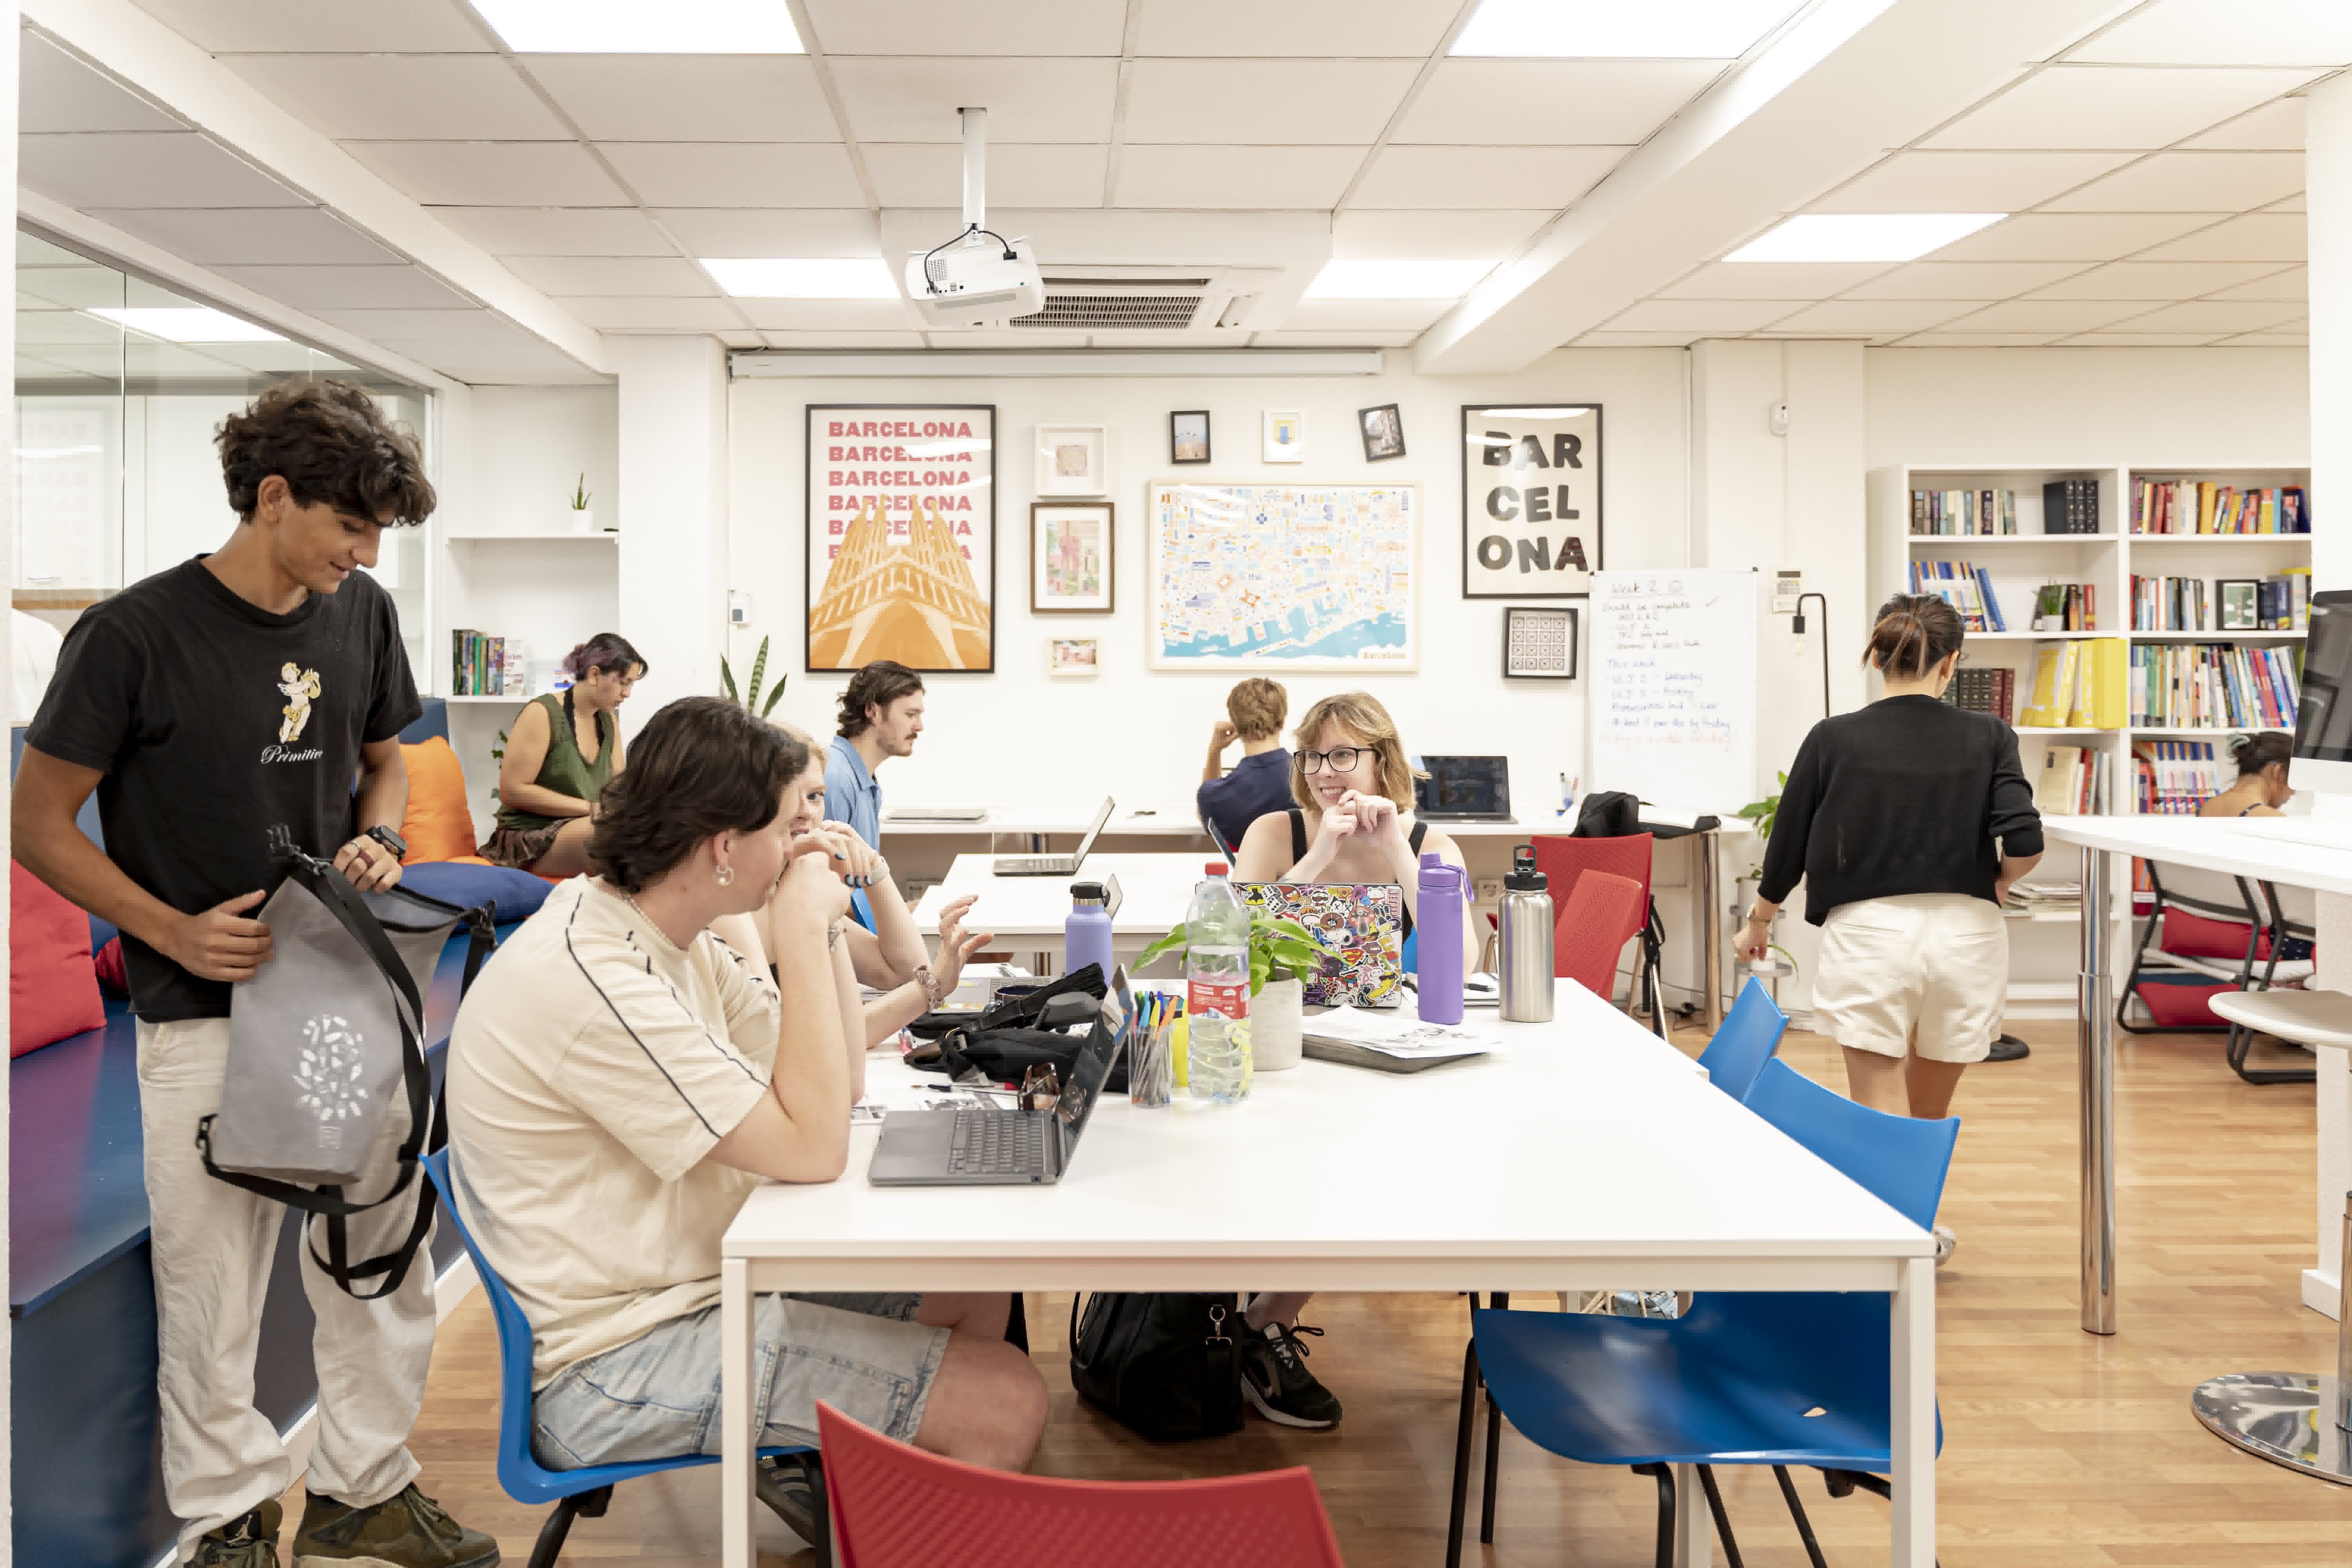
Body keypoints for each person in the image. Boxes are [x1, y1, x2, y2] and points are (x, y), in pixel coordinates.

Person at [11, 377, 498, 1568]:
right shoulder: (129, 636)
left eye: (377, 535)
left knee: (378, 1256)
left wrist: (381, 833)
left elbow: (391, 757)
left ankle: (362, 1487)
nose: (362, 554)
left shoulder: (360, 610)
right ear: (271, 496)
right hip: (202, 1008)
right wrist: (168, 930)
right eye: (348, 526)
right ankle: (229, 1516)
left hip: (341, 990)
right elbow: (38, 824)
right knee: (214, 1284)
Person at [446, 699, 1045, 1551]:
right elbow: (811, 1146)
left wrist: (825, 927)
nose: (805, 841)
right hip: (613, 1362)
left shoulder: (673, 937)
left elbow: (828, 1085)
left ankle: (879, 1525)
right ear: (725, 847)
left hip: (688, 1287)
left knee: (969, 1281)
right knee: (1006, 1396)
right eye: (789, 824)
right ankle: (903, 1498)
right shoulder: (593, 973)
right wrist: (801, 928)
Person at [1735, 594, 2043, 1265]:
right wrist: (2000, 884)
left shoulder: (1834, 737)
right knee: (1926, 1117)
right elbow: (2023, 838)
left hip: (1871, 935)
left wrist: (1759, 923)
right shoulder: (1990, 735)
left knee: (1876, 1107)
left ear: (1876, 657)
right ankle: (1915, 1234)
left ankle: (1886, 1252)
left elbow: (1787, 843)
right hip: (1969, 936)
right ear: (1952, 663)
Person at [1225, 691, 1476, 1431]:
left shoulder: (1430, 843)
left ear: (1381, 760)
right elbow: (1231, 947)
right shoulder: (1276, 831)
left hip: (1374, 1056)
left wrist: (1399, 850)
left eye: (1345, 755)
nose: (1328, 773)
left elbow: (1457, 966)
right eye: (1315, 756)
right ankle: (1244, 1317)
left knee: (1367, 1170)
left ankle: (1265, 1320)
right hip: (1277, 1050)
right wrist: (1319, 857)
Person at [726, 723, 995, 1046]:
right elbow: (813, 1042)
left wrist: (874, 868)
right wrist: (930, 987)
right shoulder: (733, 905)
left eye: (814, 796)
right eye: (786, 796)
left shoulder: (787, 886)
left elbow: (902, 972)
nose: (805, 813)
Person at [480, 633, 645, 877]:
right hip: (530, 836)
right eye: (623, 682)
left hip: (578, 825)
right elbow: (513, 790)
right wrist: (592, 808)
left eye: (632, 684)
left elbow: (617, 786)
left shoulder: (608, 720)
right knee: (608, 834)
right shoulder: (542, 713)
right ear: (595, 675)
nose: (628, 693)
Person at [824, 659, 925, 850]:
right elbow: (820, 874)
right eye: (911, 715)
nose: (920, 726)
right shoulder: (835, 780)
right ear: (873, 711)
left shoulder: (861, 778)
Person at [1197, 677, 1292, 855]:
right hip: (1301, 882)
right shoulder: (1309, 777)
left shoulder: (1213, 795)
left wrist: (1215, 751)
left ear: (1235, 727)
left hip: (1246, 881)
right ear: (1283, 722)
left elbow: (1205, 808)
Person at [2200, 731, 2295, 817]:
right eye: (2293, 782)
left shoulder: (2206, 808)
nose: (2293, 793)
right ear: (2278, 772)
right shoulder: (2271, 818)